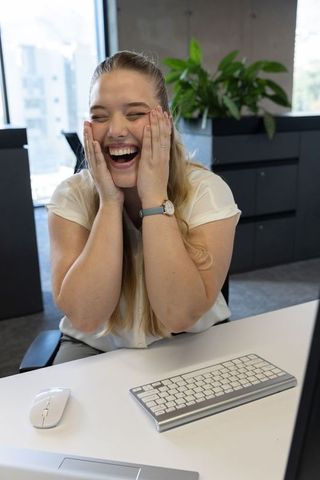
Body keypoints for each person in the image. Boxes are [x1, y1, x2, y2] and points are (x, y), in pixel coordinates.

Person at [47, 50, 241, 364]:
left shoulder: (207, 190)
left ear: (165, 120)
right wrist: (110, 203)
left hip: (190, 344)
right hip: (96, 348)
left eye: (135, 113)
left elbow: (179, 315)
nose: (116, 130)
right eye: (99, 116)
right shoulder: (71, 196)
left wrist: (154, 199)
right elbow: (85, 317)